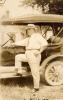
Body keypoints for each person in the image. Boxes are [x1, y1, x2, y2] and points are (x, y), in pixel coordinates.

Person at [12, 24, 48, 92]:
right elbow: (22, 42)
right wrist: (14, 43)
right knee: (18, 57)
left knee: (35, 71)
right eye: (27, 29)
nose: (27, 31)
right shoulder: (29, 38)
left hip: (34, 54)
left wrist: (40, 51)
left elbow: (45, 44)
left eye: (29, 29)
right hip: (28, 54)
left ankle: (36, 88)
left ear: (33, 30)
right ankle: (19, 72)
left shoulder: (38, 36)